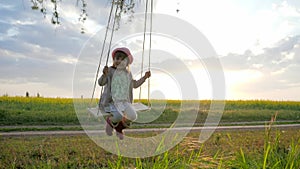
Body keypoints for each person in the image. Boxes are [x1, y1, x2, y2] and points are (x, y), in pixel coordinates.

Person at [98, 47, 151, 139]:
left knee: (132, 116)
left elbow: (135, 85)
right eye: (117, 58)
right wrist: (104, 74)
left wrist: (144, 78)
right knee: (118, 116)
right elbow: (101, 83)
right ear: (114, 60)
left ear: (127, 63)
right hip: (112, 102)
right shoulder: (110, 71)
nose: (119, 61)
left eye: (122, 60)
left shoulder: (128, 74)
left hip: (124, 101)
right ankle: (110, 122)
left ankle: (119, 128)